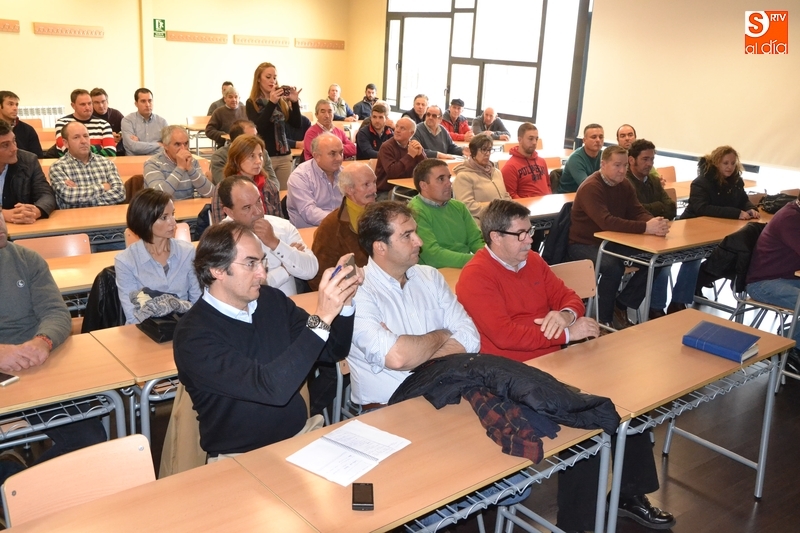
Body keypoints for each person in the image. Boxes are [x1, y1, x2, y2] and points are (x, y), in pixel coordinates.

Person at [457, 199, 673, 533]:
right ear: (495, 237)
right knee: (590, 420)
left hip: (556, 362)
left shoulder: (532, 261)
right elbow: (505, 335)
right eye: (521, 234)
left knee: (629, 403)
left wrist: (566, 315)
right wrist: (568, 334)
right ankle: (577, 524)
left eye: (529, 231)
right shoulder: (476, 276)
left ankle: (629, 495)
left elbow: (568, 296)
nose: (530, 239)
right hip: (510, 375)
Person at [173, 222, 360, 458]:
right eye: (251, 263)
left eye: (262, 262)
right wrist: (322, 317)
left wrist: (345, 300)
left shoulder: (271, 300)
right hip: (241, 458)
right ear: (217, 270)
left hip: (299, 437)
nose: (262, 274)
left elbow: (332, 350)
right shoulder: (193, 335)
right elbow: (271, 389)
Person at [0, 209, 106, 487]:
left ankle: (12, 484)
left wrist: (43, 341)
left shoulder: (26, 259)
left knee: (90, 440)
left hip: (35, 366)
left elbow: (56, 312)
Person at [348, 201, 480, 409]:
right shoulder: (357, 290)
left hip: (445, 391)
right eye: (407, 235)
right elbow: (397, 357)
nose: (419, 241)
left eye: (415, 232)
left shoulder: (430, 277)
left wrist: (417, 357)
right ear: (380, 246)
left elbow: (471, 338)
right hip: (389, 407)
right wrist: (445, 333)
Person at [568, 145, 670, 330]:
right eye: (617, 165)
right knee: (613, 267)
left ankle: (621, 305)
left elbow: (637, 211)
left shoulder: (625, 185)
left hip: (613, 241)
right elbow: (606, 222)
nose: (622, 170)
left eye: (625, 165)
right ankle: (604, 321)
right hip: (585, 243)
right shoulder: (591, 187)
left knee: (657, 260)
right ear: (603, 164)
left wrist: (654, 222)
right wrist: (646, 227)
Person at [678, 145, 759, 313]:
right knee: (694, 258)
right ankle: (679, 301)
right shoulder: (701, 182)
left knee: (730, 253)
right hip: (693, 228)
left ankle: (697, 283)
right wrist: (735, 213)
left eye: (733, 163)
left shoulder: (736, 181)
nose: (729, 167)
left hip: (720, 228)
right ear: (715, 163)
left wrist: (751, 208)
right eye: (725, 163)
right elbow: (701, 208)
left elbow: (743, 200)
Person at [219, 176, 317, 296]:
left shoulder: (283, 226)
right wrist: (285, 270)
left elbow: (311, 271)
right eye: (247, 207)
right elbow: (244, 289)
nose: (258, 212)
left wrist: (275, 243)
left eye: (258, 201)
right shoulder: (221, 240)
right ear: (229, 212)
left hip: (290, 304)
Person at [115, 189, 201, 324]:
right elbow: (133, 316)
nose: (173, 222)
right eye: (164, 217)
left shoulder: (188, 252)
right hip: (145, 328)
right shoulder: (125, 261)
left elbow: (198, 302)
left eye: (173, 214)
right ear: (145, 220)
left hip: (183, 325)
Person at [625, 139, 680, 319]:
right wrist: (658, 208)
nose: (649, 164)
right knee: (661, 260)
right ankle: (654, 307)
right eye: (645, 159)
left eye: (652, 160)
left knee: (673, 258)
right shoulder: (625, 182)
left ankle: (666, 304)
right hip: (633, 237)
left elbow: (671, 208)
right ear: (631, 160)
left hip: (656, 234)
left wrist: (651, 209)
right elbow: (634, 212)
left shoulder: (654, 181)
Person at [746, 193, 800, 359]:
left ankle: (790, 339)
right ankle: (789, 346)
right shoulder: (790, 218)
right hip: (765, 283)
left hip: (789, 277)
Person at [308, 163, 376, 290]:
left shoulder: (384, 215)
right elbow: (319, 277)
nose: (374, 190)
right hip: (349, 292)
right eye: (366, 184)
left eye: (374, 182)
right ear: (349, 189)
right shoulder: (332, 226)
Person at [409, 159, 484, 268]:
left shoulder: (459, 207)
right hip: (436, 272)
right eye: (441, 179)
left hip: (466, 266)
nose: (449, 183)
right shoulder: (415, 212)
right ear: (423, 185)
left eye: (449, 178)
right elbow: (433, 256)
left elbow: (476, 241)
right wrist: (480, 259)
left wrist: (489, 257)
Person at [245, 62, 302, 190]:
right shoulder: (252, 102)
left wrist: (294, 102)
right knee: (266, 192)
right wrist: (271, 103)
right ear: (258, 79)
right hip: (265, 156)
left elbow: (296, 124)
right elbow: (259, 128)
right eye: (268, 77)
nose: (272, 81)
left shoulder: (281, 101)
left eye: (274, 77)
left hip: (284, 156)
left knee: (284, 193)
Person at [48, 122, 125, 209]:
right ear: (66, 143)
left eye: (86, 136)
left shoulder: (106, 163)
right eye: (76, 137)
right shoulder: (58, 167)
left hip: (106, 215)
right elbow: (69, 196)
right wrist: (103, 187)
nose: (83, 141)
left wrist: (79, 194)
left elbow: (120, 193)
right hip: (74, 217)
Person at [212, 133, 280, 220]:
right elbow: (220, 225)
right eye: (252, 156)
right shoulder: (222, 189)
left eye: (260, 155)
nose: (258, 161)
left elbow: (279, 222)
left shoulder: (269, 186)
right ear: (236, 159)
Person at [0, 120, 56, 222]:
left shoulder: (28, 161)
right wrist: (3, 215)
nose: (14, 148)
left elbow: (46, 195)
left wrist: (35, 211)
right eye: (5, 145)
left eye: (14, 141)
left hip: (22, 226)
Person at [286, 133, 344, 228]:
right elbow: (309, 212)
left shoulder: (344, 173)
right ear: (317, 156)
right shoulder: (300, 177)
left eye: (341, 152)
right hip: (309, 231)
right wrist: (341, 220)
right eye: (332, 154)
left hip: (340, 229)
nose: (339, 158)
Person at [144, 125, 214, 200]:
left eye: (186, 144)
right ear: (165, 146)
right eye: (177, 144)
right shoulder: (152, 163)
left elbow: (210, 193)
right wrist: (180, 168)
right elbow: (158, 198)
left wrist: (191, 169)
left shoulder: (192, 161)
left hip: (188, 206)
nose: (183, 149)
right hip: (164, 207)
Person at [452, 134, 511, 221]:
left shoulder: (497, 172)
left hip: (502, 219)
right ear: (473, 152)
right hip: (481, 221)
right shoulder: (463, 177)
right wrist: (495, 213)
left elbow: (505, 196)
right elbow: (468, 206)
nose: (487, 153)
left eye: (489, 150)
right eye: (483, 150)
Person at [54, 89, 116, 157]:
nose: (87, 107)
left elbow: (111, 152)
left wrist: (81, 149)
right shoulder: (62, 123)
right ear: (73, 105)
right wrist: (98, 147)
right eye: (83, 104)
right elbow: (68, 151)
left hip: (99, 163)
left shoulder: (104, 124)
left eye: (89, 103)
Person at [374, 117, 426, 197]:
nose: (397, 130)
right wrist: (409, 156)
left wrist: (420, 155)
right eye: (397, 126)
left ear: (411, 133)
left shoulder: (414, 146)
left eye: (402, 128)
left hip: (409, 189)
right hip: (387, 191)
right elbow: (393, 174)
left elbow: (426, 171)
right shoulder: (386, 147)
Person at [501, 122, 551, 198]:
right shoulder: (510, 167)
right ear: (520, 139)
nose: (534, 142)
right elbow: (511, 196)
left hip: (547, 203)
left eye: (536, 139)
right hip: (526, 205)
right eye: (530, 139)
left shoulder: (542, 161)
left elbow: (548, 185)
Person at [557, 123, 604, 193]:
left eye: (601, 137)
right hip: (569, 194)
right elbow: (587, 185)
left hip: (589, 193)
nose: (598, 140)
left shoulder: (604, 155)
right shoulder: (575, 158)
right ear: (584, 140)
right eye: (593, 137)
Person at [121, 88, 169, 156]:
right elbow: (133, 147)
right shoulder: (127, 121)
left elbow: (167, 147)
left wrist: (140, 145)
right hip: (134, 160)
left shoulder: (162, 122)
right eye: (143, 101)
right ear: (136, 104)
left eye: (150, 101)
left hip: (157, 160)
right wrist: (158, 144)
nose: (147, 105)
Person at [0, 90, 43, 157]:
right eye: (10, 104)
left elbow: (37, 156)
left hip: (23, 163)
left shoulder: (28, 130)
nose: (15, 108)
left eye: (16, 105)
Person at [90, 88, 125, 156]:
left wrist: (119, 135)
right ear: (92, 104)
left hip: (118, 152)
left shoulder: (116, 114)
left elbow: (127, 129)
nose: (101, 105)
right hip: (97, 153)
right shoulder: (89, 117)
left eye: (103, 101)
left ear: (107, 101)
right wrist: (109, 137)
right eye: (96, 102)